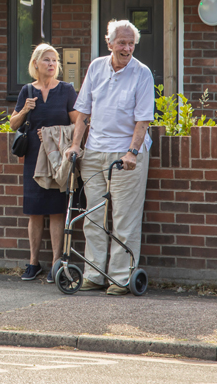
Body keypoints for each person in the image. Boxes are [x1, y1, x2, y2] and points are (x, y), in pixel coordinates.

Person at [65, 20, 155, 296]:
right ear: (110, 43)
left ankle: (119, 278)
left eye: (131, 43)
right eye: (122, 43)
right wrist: (75, 146)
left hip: (124, 154)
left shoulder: (142, 73)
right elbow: (82, 113)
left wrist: (132, 152)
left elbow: (143, 121)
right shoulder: (96, 66)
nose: (127, 48)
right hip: (94, 152)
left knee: (124, 217)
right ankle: (94, 273)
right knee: (93, 216)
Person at [9, 44, 81, 283]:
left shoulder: (67, 90)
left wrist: (54, 134)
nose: (51, 64)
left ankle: (55, 264)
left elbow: (77, 124)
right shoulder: (27, 90)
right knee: (35, 212)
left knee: (57, 211)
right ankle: (33, 263)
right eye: (47, 60)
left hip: (58, 159)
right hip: (33, 158)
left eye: (54, 60)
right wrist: (25, 110)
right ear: (36, 64)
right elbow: (13, 124)